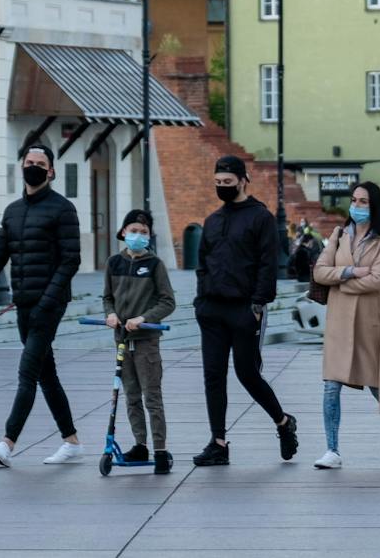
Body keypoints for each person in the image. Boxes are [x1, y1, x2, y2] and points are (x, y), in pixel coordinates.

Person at [0, 140, 84, 468]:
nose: (33, 168)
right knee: (47, 374)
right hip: (23, 304)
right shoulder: (12, 211)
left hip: (49, 305)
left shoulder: (62, 209)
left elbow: (71, 260)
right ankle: (71, 441)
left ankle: (7, 442)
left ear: (51, 171)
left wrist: (48, 299)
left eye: (39, 164)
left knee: (27, 371)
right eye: (29, 162)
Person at [193, 155, 298, 466]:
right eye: (218, 183)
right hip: (212, 308)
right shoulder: (212, 221)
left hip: (243, 308)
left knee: (247, 373)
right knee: (213, 376)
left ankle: (282, 422)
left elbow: (268, 264)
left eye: (227, 182)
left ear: (242, 180)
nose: (222, 187)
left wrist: (257, 304)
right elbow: (202, 264)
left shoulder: (260, 218)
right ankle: (218, 442)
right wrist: (201, 301)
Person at [310, 181, 380, 469]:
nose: (356, 206)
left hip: (368, 321)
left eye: (363, 201)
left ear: (373, 206)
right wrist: (351, 272)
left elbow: (377, 279)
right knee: (331, 385)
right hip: (339, 321)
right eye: (354, 200)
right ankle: (332, 450)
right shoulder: (339, 235)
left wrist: (342, 283)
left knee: (377, 386)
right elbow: (319, 271)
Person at [103, 209, 176, 474]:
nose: (138, 236)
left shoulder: (154, 265)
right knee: (130, 395)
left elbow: (167, 301)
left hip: (146, 340)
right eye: (134, 231)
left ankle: (159, 448)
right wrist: (110, 314)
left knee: (151, 396)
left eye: (144, 233)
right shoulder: (114, 263)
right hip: (122, 340)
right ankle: (140, 443)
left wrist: (144, 317)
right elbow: (107, 297)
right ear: (123, 232)